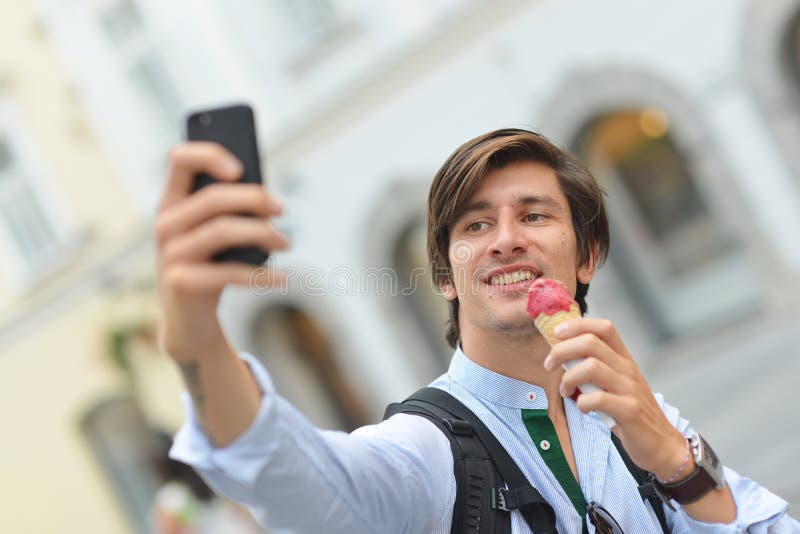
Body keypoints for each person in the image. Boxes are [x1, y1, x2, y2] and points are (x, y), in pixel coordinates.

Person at [157, 129, 798, 532]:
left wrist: (674, 460)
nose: (507, 240)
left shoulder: (637, 415)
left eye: (535, 214)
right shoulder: (427, 455)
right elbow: (295, 483)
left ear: (586, 257)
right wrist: (197, 341)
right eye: (474, 226)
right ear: (444, 275)